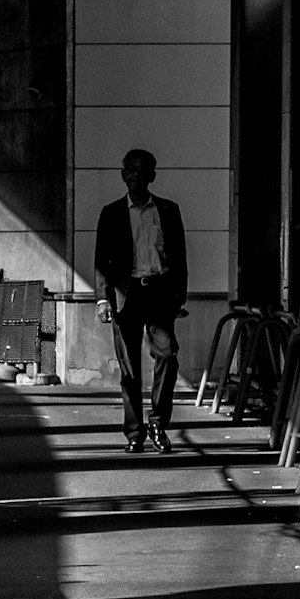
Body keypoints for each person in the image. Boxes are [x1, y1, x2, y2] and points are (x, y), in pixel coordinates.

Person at [93, 147, 187, 447]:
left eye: (141, 169)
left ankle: (159, 423)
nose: (135, 175)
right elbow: (101, 259)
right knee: (129, 369)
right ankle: (135, 432)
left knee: (167, 356)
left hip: (159, 295)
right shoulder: (111, 214)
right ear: (123, 176)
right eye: (130, 169)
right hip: (126, 296)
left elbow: (180, 257)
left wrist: (178, 299)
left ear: (152, 176)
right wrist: (103, 299)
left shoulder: (169, 210)